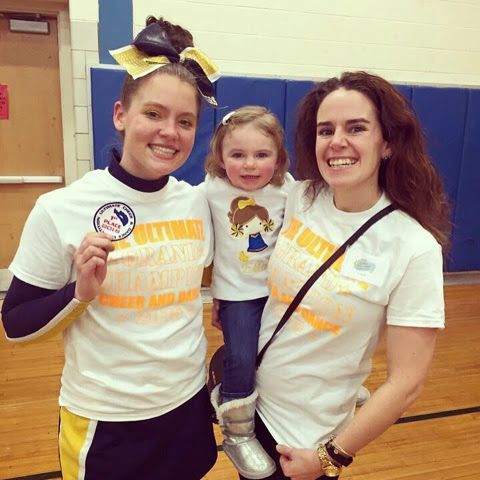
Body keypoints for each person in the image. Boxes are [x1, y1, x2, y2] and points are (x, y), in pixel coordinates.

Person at [1, 16, 220, 480]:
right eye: (153, 114)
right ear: (121, 115)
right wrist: (78, 294)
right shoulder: (61, 207)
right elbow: (15, 324)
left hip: (187, 406)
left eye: (185, 121)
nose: (170, 131)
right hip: (108, 420)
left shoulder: (199, 202)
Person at [242, 71, 451, 480]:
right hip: (254, 408)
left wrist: (330, 456)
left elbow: (407, 383)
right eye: (326, 130)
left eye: (356, 128)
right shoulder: (300, 196)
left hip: (305, 441)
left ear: (387, 143)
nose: (337, 141)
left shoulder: (414, 247)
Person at [204, 106, 294, 479]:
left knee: (292, 350)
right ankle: (238, 433)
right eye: (238, 154)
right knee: (241, 358)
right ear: (220, 158)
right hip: (238, 295)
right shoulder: (210, 190)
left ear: (278, 158)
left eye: (261, 154)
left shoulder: (288, 189)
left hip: (281, 294)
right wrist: (216, 294)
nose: (250, 164)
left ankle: (333, 390)